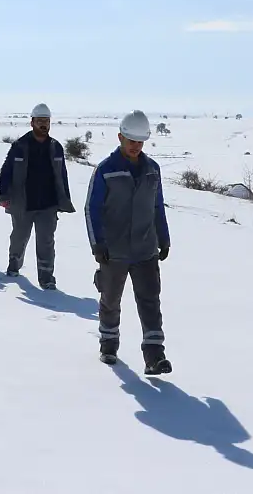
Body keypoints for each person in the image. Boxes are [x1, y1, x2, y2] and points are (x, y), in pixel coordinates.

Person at [83, 110, 172, 375]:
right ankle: (108, 344)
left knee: (150, 301)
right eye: (131, 140)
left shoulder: (152, 170)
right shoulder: (106, 170)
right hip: (114, 250)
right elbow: (92, 208)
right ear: (120, 136)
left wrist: (164, 238)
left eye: (140, 141)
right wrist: (97, 244)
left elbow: (158, 207)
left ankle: (154, 356)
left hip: (146, 249)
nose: (135, 146)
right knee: (110, 299)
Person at [0, 103, 74, 289]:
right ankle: (14, 265)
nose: (43, 125)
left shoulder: (56, 147)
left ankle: (47, 277)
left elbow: (62, 175)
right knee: (19, 237)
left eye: (46, 121)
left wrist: (64, 200)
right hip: (23, 202)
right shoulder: (20, 146)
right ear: (32, 122)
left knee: (46, 241)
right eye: (40, 121)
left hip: (48, 204)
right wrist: (3, 195)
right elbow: (6, 170)